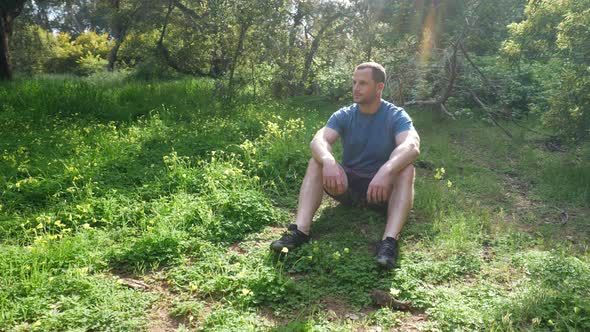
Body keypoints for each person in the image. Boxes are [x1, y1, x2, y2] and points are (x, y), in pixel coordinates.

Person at [270, 62, 420, 269]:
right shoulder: (345, 114)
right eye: (354, 82)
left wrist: (386, 170)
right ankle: (300, 231)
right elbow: (318, 140)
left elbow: (411, 146)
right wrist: (329, 161)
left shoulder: (395, 115)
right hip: (347, 187)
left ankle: (389, 242)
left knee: (407, 169)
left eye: (363, 83)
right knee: (316, 162)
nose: (356, 88)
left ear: (379, 87)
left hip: (381, 192)